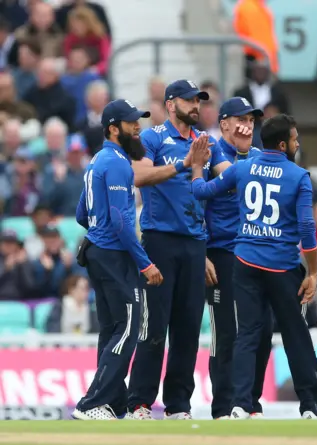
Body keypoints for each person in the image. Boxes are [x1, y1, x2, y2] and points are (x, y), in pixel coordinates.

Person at [191, 114, 317, 420]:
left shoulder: (242, 167)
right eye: (294, 138)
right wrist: (314, 272)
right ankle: (310, 407)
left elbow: (201, 191)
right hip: (282, 266)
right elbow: (306, 228)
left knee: (247, 334)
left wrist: (197, 167)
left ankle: (240, 404)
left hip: (245, 263)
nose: (297, 142)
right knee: (295, 335)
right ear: (283, 144)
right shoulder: (299, 176)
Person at [126, 79, 230, 420]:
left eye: (199, 100)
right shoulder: (154, 137)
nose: (196, 106)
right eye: (189, 100)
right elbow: (139, 176)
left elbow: (226, 180)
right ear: (171, 104)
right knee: (154, 327)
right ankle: (140, 402)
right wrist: (185, 164)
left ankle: (178, 405)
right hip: (160, 240)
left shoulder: (207, 142)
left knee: (187, 328)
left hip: (195, 243)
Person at [72, 99, 163, 420]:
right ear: (113, 128)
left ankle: (108, 403)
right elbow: (121, 221)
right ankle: (91, 403)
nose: (138, 128)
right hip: (114, 255)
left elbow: (83, 213)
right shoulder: (119, 164)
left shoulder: (98, 161)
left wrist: (99, 234)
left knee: (112, 328)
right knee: (128, 326)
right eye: (131, 123)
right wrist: (145, 263)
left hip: (97, 252)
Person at [202, 97, 273, 420]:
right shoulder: (208, 156)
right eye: (241, 118)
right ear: (225, 123)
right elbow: (195, 205)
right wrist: (203, 254)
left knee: (261, 331)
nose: (248, 124)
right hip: (224, 254)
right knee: (227, 334)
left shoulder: (259, 156)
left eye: (253, 119)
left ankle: (249, 401)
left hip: (260, 255)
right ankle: (223, 406)